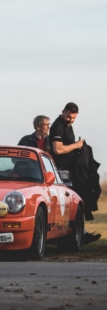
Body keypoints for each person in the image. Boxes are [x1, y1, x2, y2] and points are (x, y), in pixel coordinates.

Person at [49, 102, 101, 244]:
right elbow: (57, 150)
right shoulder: (58, 126)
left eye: (73, 118)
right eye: (68, 117)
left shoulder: (68, 126)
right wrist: (77, 145)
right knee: (70, 203)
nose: (70, 120)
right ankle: (73, 235)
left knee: (79, 200)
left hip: (71, 171)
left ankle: (80, 233)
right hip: (63, 172)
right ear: (63, 112)